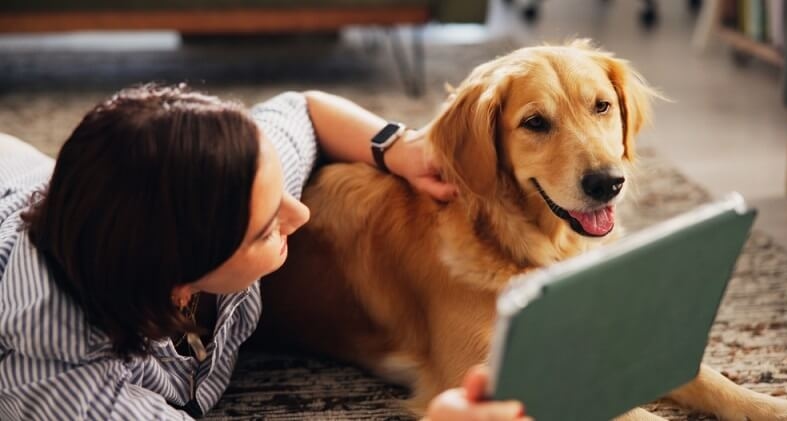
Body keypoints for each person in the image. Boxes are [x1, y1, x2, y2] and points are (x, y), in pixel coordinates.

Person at [0, 84, 530, 420]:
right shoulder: (73, 385)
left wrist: (398, 146)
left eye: (281, 192)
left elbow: (305, 109)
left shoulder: (230, 170)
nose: (300, 216)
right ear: (178, 287)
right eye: (263, 230)